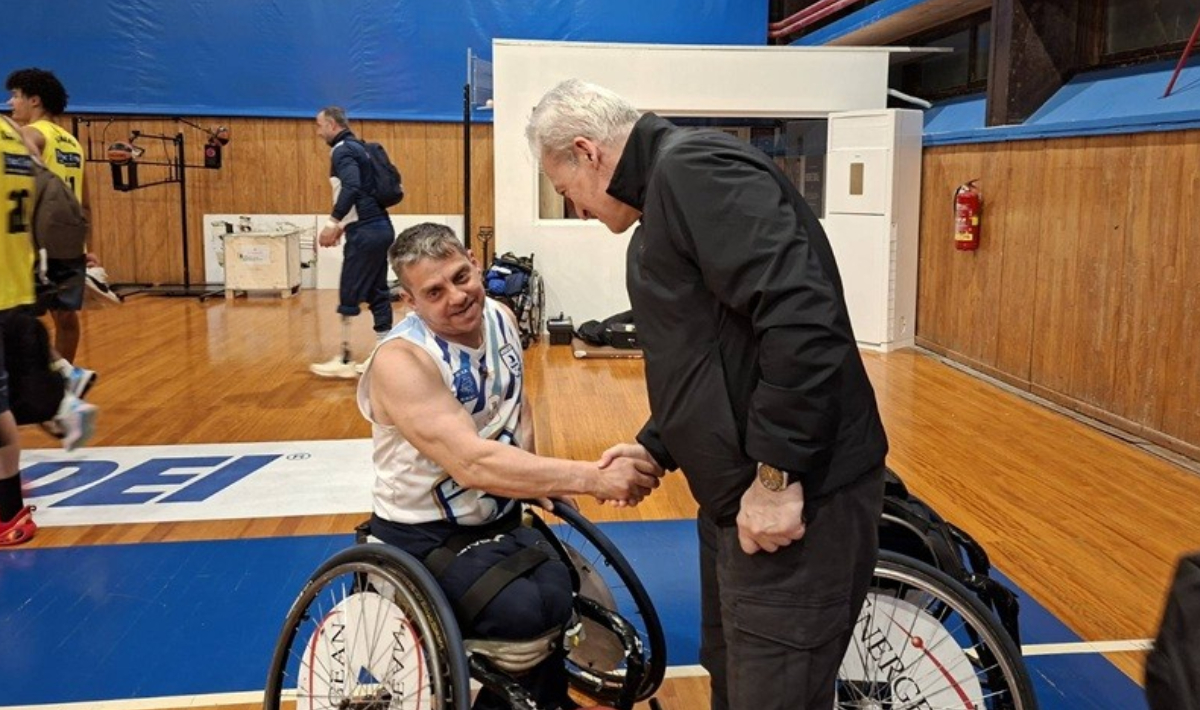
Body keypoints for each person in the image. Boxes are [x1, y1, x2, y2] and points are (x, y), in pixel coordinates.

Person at [526, 80, 890, 710]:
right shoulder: (662, 203)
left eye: (567, 192)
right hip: (736, 505)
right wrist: (657, 446)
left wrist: (777, 477)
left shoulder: (694, 169)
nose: (577, 211)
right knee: (734, 680)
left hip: (793, 506)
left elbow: (802, 319)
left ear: (587, 151)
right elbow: (711, 356)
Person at [359, 222, 662, 710]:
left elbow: (516, 408)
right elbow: (472, 463)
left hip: (496, 515)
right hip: (423, 531)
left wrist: (533, 475)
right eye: (434, 292)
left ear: (475, 263)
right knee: (522, 610)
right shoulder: (401, 361)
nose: (457, 296)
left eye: (461, 277)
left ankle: (544, 698)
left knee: (558, 588)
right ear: (410, 301)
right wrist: (593, 477)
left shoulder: (500, 317)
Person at [5, 68, 100, 398]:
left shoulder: (33, 132)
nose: (11, 103)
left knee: (14, 319)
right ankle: (65, 392)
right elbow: (85, 204)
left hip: (37, 244)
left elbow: (23, 147)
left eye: (16, 96)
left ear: (35, 100)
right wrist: (88, 248)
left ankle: (62, 376)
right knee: (66, 320)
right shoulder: (72, 143)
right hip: (68, 242)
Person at [311, 106, 395, 378]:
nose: (318, 131)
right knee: (377, 289)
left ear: (332, 125)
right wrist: (343, 225)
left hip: (366, 231)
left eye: (319, 125)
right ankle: (384, 350)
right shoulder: (359, 147)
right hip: (380, 227)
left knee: (350, 289)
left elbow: (351, 186)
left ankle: (345, 359)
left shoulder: (342, 150)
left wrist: (332, 223)